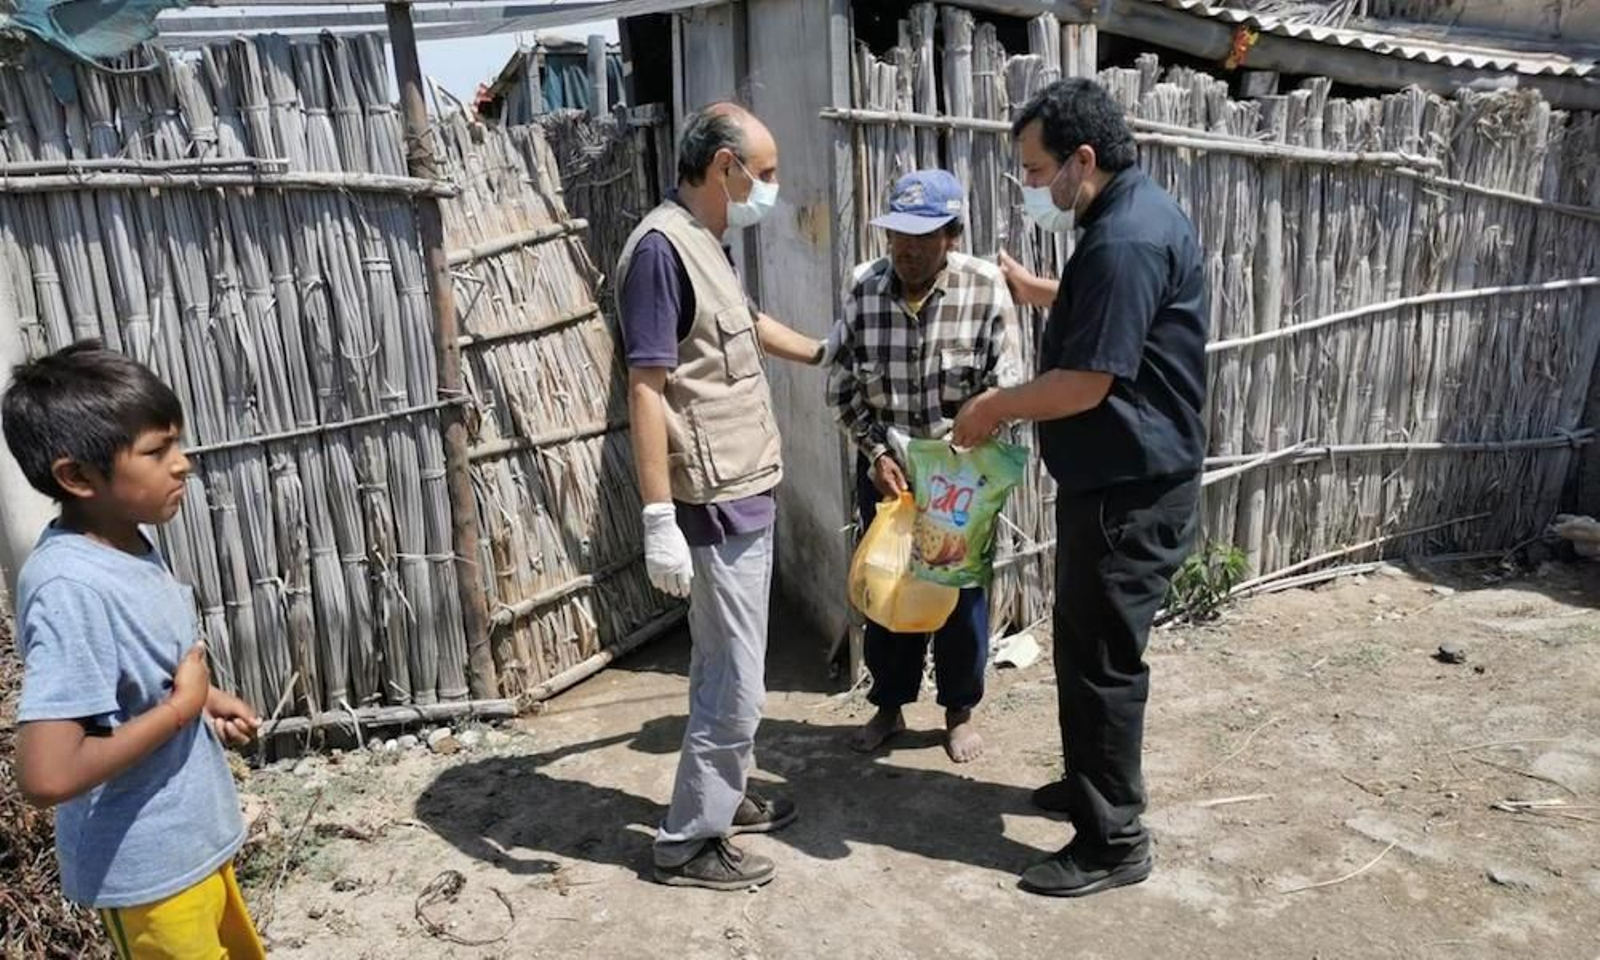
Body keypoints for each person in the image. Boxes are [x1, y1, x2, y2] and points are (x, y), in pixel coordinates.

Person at [953, 77, 1208, 898]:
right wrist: (1042, 292)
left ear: (1082, 161)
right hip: (1115, 479)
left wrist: (993, 407)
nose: (1029, 188)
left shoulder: (1125, 237)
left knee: (1101, 660)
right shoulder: (1128, 220)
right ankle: (1090, 785)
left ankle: (1113, 842)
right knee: (1081, 643)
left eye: (1034, 172)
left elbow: (1087, 381)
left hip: (1130, 486)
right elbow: (1117, 306)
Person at [616, 102, 833, 891]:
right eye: (765, 175)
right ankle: (687, 843)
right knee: (736, 680)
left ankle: (722, 795)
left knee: (724, 660)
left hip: (743, 484)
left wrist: (822, 352)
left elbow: (744, 322)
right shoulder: (660, 253)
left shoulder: (706, 242)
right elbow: (647, 386)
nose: (771, 189)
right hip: (708, 498)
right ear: (724, 169)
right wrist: (656, 517)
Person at [4, 341, 266, 957]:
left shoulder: (125, 544)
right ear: (77, 477)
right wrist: (177, 712)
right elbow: (46, 775)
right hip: (146, 872)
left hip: (192, 845)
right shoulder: (71, 589)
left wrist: (202, 701)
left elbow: (132, 676)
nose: (183, 464)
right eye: (156, 451)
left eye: (176, 442)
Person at [827, 169, 1020, 764]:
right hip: (889, 473)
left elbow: (1008, 388)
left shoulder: (986, 289)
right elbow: (840, 387)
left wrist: (965, 458)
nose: (906, 250)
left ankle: (959, 709)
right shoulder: (863, 287)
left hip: (961, 475)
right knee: (887, 591)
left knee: (959, 599)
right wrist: (877, 453)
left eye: (922, 236)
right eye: (896, 236)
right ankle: (889, 704)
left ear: (953, 235)